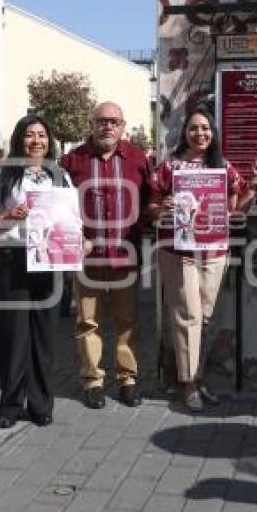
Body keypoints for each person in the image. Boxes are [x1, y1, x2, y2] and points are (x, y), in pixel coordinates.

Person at [147, 108, 257, 411]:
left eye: (205, 128)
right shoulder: (169, 167)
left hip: (214, 251)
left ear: (213, 133)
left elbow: (238, 211)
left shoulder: (223, 167)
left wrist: (253, 181)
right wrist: (164, 207)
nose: (200, 134)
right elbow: (150, 206)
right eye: (193, 128)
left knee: (206, 318)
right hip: (178, 251)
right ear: (185, 132)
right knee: (188, 316)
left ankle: (197, 379)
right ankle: (188, 384)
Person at [0, 114, 73, 428]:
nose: (37, 141)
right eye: (30, 135)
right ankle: (10, 404)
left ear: (50, 141)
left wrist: (80, 242)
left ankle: (41, 405)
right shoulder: (3, 174)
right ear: (20, 139)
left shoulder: (59, 176)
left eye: (42, 135)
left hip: (50, 260)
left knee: (44, 337)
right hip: (14, 259)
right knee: (13, 336)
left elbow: (73, 217)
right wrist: (7, 214)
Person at [60, 102, 151, 409]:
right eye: (101, 121)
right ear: (92, 123)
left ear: (123, 126)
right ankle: (93, 381)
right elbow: (59, 207)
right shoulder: (72, 161)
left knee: (127, 322)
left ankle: (127, 380)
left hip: (126, 257)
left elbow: (151, 203)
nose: (107, 126)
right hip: (87, 258)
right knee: (88, 323)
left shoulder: (138, 160)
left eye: (114, 121)